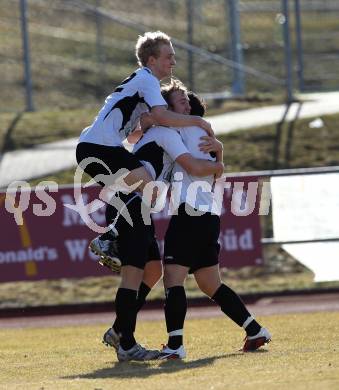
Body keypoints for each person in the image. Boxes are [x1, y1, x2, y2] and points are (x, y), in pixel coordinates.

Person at [100, 85, 224, 357]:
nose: (188, 107)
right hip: (128, 206)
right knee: (133, 273)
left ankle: (119, 329)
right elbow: (193, 166)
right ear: (167, 111)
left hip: (138, 208)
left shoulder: (165, 131)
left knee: (153, 270)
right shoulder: (166, 133)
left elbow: (140, 134)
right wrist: (219, 163)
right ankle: (126, 343)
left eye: (189, 104)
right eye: (181, 103)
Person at [153, 80, 272, 359]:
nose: (185, 102)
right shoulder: (195, 127)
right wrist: (220, 154)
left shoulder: (185, 128)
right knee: (210, 284)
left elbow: (207, 169)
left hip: (190, 213)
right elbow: (216, 170)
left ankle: (175, 345)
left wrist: (218, 160)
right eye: (179, 99)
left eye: (184, 98)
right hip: (207, 215)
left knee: (173, 278)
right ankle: (254, 330)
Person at [76, 30, 214, 267]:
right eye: (168, 56)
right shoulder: (147, 79)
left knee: (139, 192)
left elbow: (134, 135)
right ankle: (109, 238)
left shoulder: (142, 82)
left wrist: (146, 124)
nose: (174, 62)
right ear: (152, 60)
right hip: (99, 148)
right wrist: (198, 121)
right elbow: (162, 114)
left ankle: (114, 241)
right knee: (150, 189)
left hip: (93, 147)